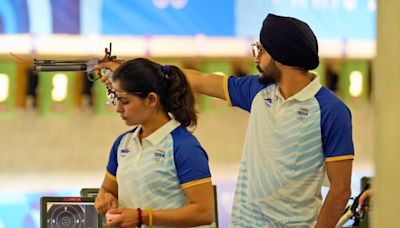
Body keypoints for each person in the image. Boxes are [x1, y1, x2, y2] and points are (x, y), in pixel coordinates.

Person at [97, 13, 354, 228]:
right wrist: (130, 70)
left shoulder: (331, 111)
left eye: (261, 51)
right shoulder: (258, 91)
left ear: (280, 56)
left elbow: (341, 189)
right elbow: (198, 80)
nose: (255, 58)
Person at [94, 58, 214, 227]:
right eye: (116, 100)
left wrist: (143, 217)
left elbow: (204, 212)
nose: (118, 109)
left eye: (125, 101)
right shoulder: (123, 143)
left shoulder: (184, 146)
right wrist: (105, 198)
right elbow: (108, 189)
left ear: (151, 99)